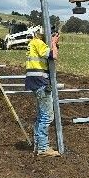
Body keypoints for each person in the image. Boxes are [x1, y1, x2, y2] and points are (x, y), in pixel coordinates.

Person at [25, 27, 60, 156]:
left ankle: (39, 144)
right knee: (47, 116)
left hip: (35, 82)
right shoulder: (38, 43)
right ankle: (43, 148)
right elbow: (53, 55)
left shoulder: (33, 43)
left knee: (41, 115)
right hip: (40, 82)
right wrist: (54, 43)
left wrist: (53, 44)